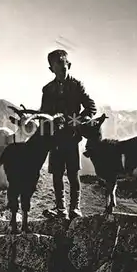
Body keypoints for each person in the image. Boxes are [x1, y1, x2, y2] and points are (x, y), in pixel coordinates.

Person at [40, 49, 97, 219]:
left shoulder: (77, 85)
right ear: (51, 70)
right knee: (57, 174)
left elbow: (91, 106)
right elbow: (44, 113)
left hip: (72, 137)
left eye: (64, 69)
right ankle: (60, 209)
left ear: (69, 66)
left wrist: (78, 120)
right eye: (57, 70)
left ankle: (75, 208)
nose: (62, 73)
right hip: (55, 138)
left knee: (73, 173)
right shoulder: (47, 89)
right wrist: (49, 123)